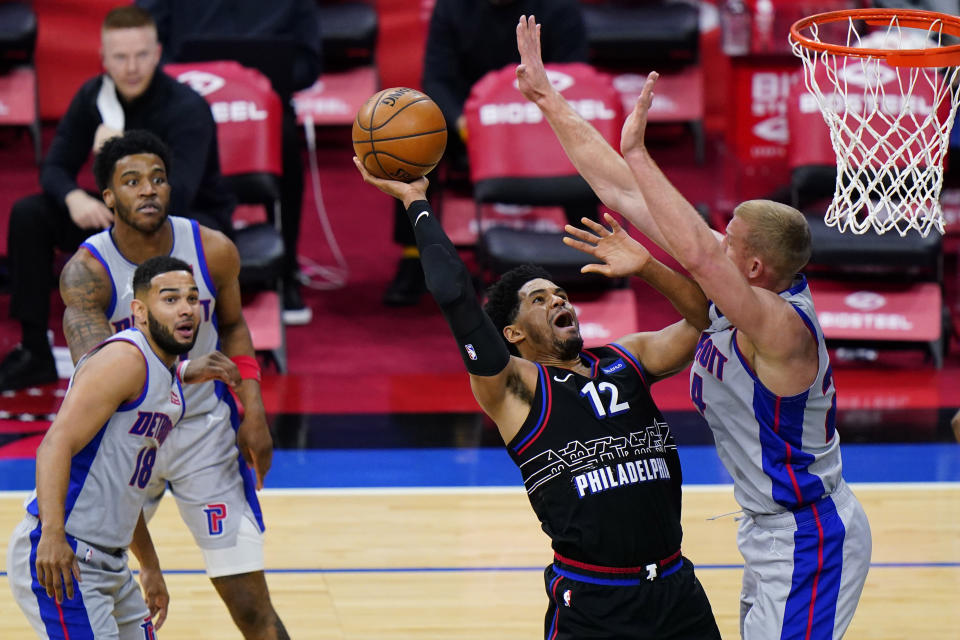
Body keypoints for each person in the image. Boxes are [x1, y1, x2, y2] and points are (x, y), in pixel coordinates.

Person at [514, 15, 872, 639]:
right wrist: (548, 97)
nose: (713, 240)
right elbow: (621, 190)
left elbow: (699, 255)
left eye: (727, 238)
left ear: (755, 267)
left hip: (809, 535)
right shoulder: (746, 286)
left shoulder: (783, 327)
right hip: (764, 527)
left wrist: (640, 152)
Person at [355, 155, 721, 638]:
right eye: (539, 300)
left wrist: (649, 267)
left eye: (560, 294)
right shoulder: (515, 388)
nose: (559, 301)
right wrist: (416, 200)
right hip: (594, 602)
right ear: (512, 332)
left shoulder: (626, 358)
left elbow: (708, 317)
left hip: (677, 590)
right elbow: (454, 295)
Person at [58, 130, 289, 639]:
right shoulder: (87, 272)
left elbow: (233, 326)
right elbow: (99, 375)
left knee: (250, 606)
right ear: (109, 198)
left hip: (201, 432)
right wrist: (185, 369)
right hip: (128, 436)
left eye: (158, 179)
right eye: (132, 181)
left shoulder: (212, 249)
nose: (148, 190)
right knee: (93, 583)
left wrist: (253, 410)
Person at [0, 5, 235, 392]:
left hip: (186, 219)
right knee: (30, 214)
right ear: (103, 58)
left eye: (141, 55)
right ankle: (34, 350)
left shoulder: (187, 108)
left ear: (158, 53)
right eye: (120, 57)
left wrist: (119, 150)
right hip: (119, 215)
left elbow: (176, 195)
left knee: (158, 216)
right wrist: (74, 196)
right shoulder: (93, 97)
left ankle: (167, 359)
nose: (131, 67)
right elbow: (54, 167)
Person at [6, 255, 240, 639]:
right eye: (170, 299)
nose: (185, 309)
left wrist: (149, 566)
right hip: (66, 555)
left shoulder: (167, 379)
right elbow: (54, 445)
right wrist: (51, 535)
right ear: (140, 311)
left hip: (110, 562)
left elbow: (124, 485)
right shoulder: (125, 359)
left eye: (192, 298)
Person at [383, 0, 588, 307]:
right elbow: (437, 79)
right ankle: (415, 256)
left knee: (586, 142)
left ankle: (586, 248)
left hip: (542, 126)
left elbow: (578, 79)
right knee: (409, 140)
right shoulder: (451, 8)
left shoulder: (560, 8)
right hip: (470, 128)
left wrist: (539, 119)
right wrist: (462, 121)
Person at [136, 0, 323, 325]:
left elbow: (309, 61)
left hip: (260, 105)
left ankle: (286, 269)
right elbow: (144, 38)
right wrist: (179, 84)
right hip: (182, 102)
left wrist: (253, 79)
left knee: (287, 142)